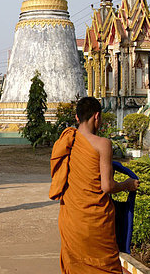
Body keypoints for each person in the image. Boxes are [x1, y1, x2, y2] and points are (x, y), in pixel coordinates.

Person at [50, 97, 140, 273]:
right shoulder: (102, 144)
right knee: (104, 267)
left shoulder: (67, 140)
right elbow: (107, 186)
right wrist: (126, 185)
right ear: (97, 116)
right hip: (95, 221)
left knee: (76, 266)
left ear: (77, 118)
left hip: (72, 219)